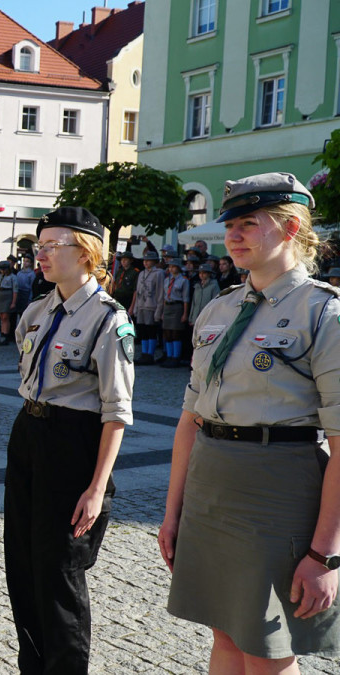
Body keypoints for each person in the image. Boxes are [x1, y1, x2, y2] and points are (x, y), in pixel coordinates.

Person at [159, 173, 340, 672]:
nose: (232, 236)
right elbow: (191, 420)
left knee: (266, 647)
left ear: (291, 228)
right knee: (225, 633)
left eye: (248, 224)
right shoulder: (219, 309)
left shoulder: (323, 314)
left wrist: (325, 555)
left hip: (277, 493)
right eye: (229, 225)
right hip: (211, 486)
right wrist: (173, 513)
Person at [6, 206, 133, 674]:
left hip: (73, 444)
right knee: (22, 564)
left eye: (51, 246)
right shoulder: (37, 310)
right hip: (29, 433)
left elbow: (116, 412)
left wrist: (97, 489)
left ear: (85, 253)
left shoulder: (108, 319)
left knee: (60, 573)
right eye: (38, 246)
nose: (39, 255)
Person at [131, 250, 165, 365]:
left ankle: (150, 354)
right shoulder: (141, 273)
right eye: (144, 260)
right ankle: (144, 353)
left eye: (148, 260)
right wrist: (136, 307)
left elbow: (160, 293)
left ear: (154, 261)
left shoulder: (159, 273)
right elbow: (138, 292)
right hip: (141, 306)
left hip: (152, 306)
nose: (145, 262)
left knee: (151, 331)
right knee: (143, 331)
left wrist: (159, 310)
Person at [159, 259, 190, 368]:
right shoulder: (167, 280)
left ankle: (176, 357)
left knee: (176, 333)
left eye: (173, 266)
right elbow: (164, 296)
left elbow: (186, 298)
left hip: (177, 306)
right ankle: (169, 356)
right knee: (167, 333)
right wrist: (163, 311)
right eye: (170, 267)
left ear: (178, 268)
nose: (171, 269)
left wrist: (185, 313)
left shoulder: (184, 280)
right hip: (168, 306)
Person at [0, 261, 16, 345]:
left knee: (5, 317)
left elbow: (15, 290)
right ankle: (2, 334)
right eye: (2, 269)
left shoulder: (12, 277)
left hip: (7, 297)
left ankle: (6, 335)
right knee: (1, 317)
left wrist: (13, 302)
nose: (3, 271)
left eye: (4, 269)